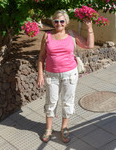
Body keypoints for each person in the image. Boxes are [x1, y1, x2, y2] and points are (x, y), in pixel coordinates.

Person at [37, 10, 94, 143]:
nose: (59, 24)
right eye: (56, 21)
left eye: (62, 21)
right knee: (51, 102)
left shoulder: (71, 34)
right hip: (51, 75)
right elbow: (41, 56)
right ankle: (49, 129)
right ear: (53, 22)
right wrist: (40, 74)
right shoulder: (47, 36)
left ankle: (64, 128)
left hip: (69, 74)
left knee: (67, 102)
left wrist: (89, 28)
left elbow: (89, 45)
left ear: (66, 22)